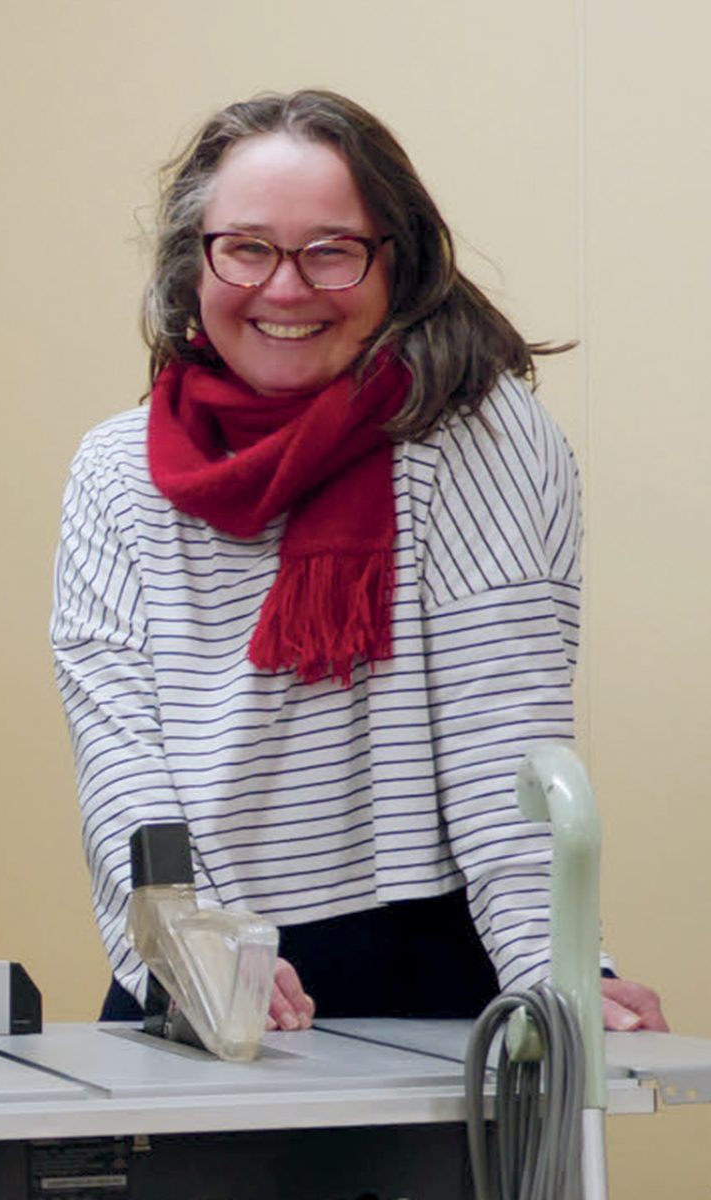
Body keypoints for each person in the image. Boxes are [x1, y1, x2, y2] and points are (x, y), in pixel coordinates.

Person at [51, 89, 667, 1035]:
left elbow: (505, 740)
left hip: (430, 966)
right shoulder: (114, 470)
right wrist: (191, 948)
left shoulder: (475, 437)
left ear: (397, 263)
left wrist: (560, 970)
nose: (285, 288)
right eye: (248, 247)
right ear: (195, 263)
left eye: (332, 249)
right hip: (203, 963)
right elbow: (122, 756)